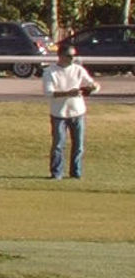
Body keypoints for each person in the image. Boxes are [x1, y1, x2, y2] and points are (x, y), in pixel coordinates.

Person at [45, 36, 99, 178]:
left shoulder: (78, 69)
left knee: (79, 146)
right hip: (59, 114)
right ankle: (56, 174)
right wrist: (69, 93)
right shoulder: (50, 71)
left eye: (74, 56)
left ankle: (76, 173)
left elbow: (92, 84)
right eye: (70, 56)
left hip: (77, 112)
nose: (72, 59)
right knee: (58, 145)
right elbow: (49, 93)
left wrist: (93, 88)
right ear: (61, 56)